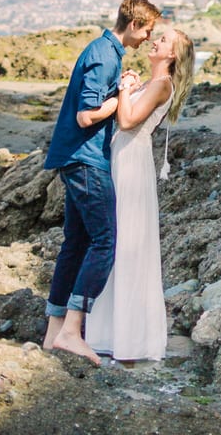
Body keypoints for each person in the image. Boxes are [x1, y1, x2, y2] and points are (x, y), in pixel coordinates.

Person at [42, 0, 161, 362]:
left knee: (76, 244)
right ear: (134, 24)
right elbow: (87, 116)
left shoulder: (105, 52)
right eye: (148, 31)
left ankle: (52, 334)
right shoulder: (105, 54)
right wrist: (122, 93)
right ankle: (71, 331)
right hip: (86, 159)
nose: (147, 39)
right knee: (106, 241)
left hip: (75, 157)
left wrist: (120, 86)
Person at [85, 24, 195, 362]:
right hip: (123, 156)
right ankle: (107, 331)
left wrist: (124, 90)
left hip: (132, 162)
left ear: (172, 55)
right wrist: (130, 86)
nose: (154, 41)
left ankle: (129, 337)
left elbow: (129, 121)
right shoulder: (152, 83)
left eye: (163, 40)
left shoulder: (162, 84)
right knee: (115, 241)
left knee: (126, 242)